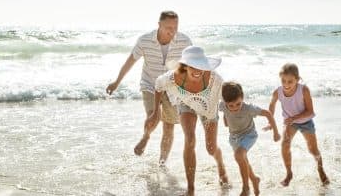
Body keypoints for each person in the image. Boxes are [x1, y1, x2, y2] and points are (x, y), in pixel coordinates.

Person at [106, 11, 192, 165]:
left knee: (169, 126)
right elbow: (130, 61)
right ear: (159, 25)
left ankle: (162, 162)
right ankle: (146, 136)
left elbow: (193, 66)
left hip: (173, 88)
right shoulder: (145, 40)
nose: (172, 31)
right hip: (150, 85)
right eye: (168, 27)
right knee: (154, 115)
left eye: (175, 27)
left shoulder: (185, 41)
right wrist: (116, 82)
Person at [142, 46, 229, 196]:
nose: (197, 70)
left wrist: (229, 116)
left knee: (211, 148)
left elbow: (227, 99)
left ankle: (221, 167)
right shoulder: (172, 78)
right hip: (186, 103)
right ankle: (191, 189)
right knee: (190, 139)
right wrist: (156, 112)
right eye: (193, 66)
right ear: (185, 66)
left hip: (208, 106)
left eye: (201, 66)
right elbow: (158, 86)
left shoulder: (215, 80)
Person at [267, 63, 330, 186]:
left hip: (305, 121)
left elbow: (310, 111)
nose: (286, 84)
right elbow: (272, 104)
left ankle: (320, 169)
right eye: (283, 81)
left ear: (297, 79)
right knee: (285, 144)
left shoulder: (304, 90)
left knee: (313, 149)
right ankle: (289, 173)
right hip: (291, 123)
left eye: (290, 81)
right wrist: (271, 121)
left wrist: (294, 118)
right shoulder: (278, 92)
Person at [219, 82, 280, 196]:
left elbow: (268, 113)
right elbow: (218, 110)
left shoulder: (248, 108)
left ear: (242, 97)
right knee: (243, 160)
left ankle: (246, 188)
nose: (235, 108)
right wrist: (225, 118)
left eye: (238, 104)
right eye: (230, 106)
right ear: (225, 102)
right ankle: (254, 179)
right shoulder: (223, 105)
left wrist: (275, 132)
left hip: (249, 135)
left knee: (239, 155)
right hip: (234, 138)